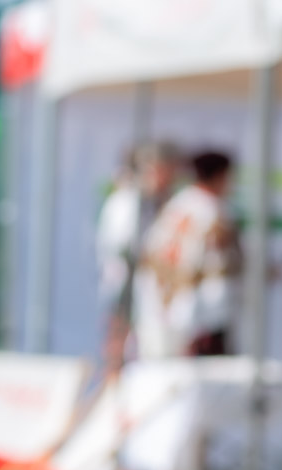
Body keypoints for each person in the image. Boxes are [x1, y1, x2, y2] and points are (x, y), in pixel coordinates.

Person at [145, 149, 240, 357]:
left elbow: (150, 254)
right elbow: (223, 262)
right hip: (203, 311)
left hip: (167, 302)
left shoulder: (177, 203)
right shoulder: (216, 210)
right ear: (219, 176)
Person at [98, 141, 177, 366]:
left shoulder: (161, 202)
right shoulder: (127, 201)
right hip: (127, 284)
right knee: (121, 340)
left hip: (150, 292)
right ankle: (115, 376)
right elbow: (122, 246)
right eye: (162, 170)